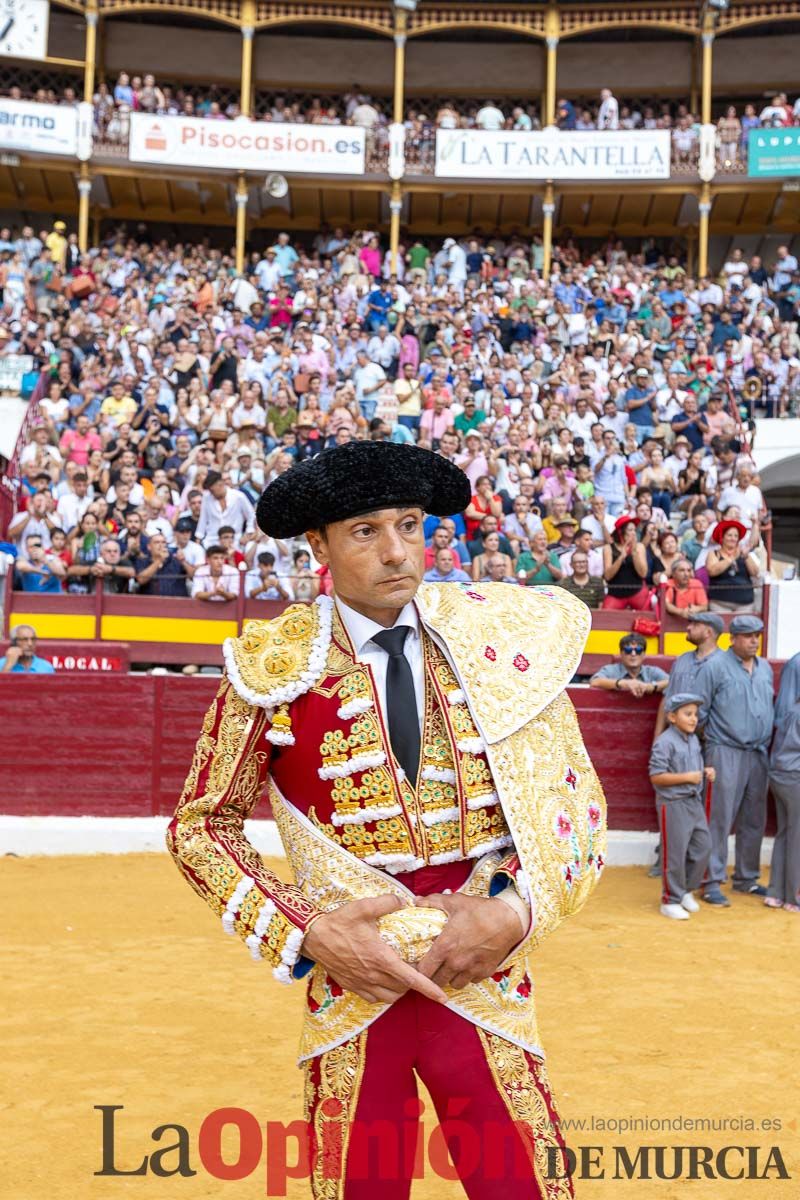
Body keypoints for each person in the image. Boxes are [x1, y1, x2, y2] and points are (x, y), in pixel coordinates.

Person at [168, 440, 606, 1197]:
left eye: (409, 524)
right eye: (367, 531)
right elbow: (201, 824)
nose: (397, 551)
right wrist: (308, 929)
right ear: (321, 546)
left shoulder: (495, 644)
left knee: (523, 1185)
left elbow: (572, 805)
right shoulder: (275, 665)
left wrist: (516, 911)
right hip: (354, 981)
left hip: (482, 969)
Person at [696, 615, 774, 907]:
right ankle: (710, 880)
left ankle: (746, 878)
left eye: (757, 635)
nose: (754, 640)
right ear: (732, 639)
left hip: (758, 752)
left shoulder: (764, 668)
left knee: (754, 819)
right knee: (718, 818)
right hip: (724, 750)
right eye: (747, 635)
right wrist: (709, 751)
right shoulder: (715, 666)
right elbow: (699, 714)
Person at [648, 694, 714, 921]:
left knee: (703, 847)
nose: (694, 719)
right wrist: (687, 777)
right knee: (674, 854)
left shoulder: (693, 739)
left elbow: (693, 769)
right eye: (688, 714)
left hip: (693, 802)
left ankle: (685, 890)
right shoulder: (665, 742)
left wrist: (705, 772)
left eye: (695, 714)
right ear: (672, 717)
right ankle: (670, 900)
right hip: (673, 804)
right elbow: (656, 776)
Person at [764, 687, 800, 913]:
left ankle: (776, 893)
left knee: (786, 834)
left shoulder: (793, 709)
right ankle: (794, 897)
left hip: (780, 775)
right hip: (795, 776)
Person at [590, 632, 669, 698]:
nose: (633, 654)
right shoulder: (611, 670)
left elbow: (671, 681)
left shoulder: (651, 671)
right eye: (628, 650)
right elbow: (594, 681)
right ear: (621, 653)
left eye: (638, 650)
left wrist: (650, 687)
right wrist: (623, 683)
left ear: (644, 654)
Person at [705, 519, 760, 613]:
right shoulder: (713, 554)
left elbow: (755, 573)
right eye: (729, 535)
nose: (733, 538)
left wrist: (746, 556)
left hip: (745, 603)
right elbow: (712, 571)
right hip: (720, 603)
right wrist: (731, 558)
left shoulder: (743, 553)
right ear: (722, 537)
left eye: (736, 536)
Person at [601, 515, 650, 611]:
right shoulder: (608, 548)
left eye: (634, 530)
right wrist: (621, 557)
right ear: (620, 532)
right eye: (630, 530)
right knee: (606, 619)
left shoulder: (639, 547)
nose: (634, 533)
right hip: (615, 594)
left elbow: (643, 573)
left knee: (648, 618)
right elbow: (607, 576)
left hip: (637, 592)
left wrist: (634, 552)